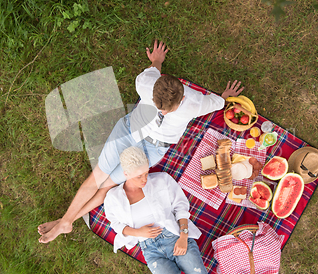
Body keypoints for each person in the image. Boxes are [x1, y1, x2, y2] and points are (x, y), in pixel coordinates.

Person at [38, 40, 244, 243]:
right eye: (158, 106)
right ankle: (65, 221)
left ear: (182, 100)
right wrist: (157, 61)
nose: (162, 112)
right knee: (96, 177)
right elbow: (154, 70)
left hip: (152, 148)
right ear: (153, 93)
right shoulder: (147, 84)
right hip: (128, 130)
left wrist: (224, 97)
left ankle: (66, 221)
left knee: (106, 186)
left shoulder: (193, 102)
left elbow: (216, 102)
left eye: (166, 110)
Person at [104, 146, 241, 274]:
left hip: (173, 235)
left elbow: (180, 206)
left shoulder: (161, 180)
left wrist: (183, 236)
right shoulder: (113, 198)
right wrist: (137, 232)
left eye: (146, 172)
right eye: (138, 176)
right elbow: (116, 224)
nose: (144, 179)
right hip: (150, 249)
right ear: (125, 174)